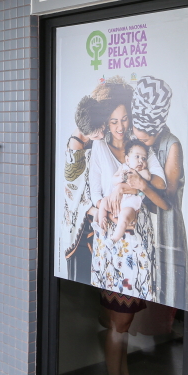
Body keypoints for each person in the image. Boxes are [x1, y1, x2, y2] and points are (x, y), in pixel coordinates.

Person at [87, 78, 168, 375]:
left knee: (125, 322)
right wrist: (106, 205)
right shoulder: (99, 150)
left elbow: (161, 187)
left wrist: (136, 184)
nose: (120, 127)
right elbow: (93, 196)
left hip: (137, 248)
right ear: (105, 123)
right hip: (113, 247)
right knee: (118, 323)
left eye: (125, 119)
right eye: (113, 121)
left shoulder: (140, 148)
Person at [130, 76, 188, 310]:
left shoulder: (171, 145)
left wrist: (142, 184)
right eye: (136, 134)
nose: (139, 140)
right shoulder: (134, 137)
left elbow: (168, 199)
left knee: (167, 296)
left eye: (145, 138)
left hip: (166, 231)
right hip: (139, 229)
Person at [61, 94, 107, 283]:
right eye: (96, 136)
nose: (101, 136)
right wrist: (92, 209)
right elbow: (72, 193)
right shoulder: (75, 149)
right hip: (81, 224)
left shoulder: (96, 133)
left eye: (102, 130)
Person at [96, 139, 151, 243]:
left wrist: (138, 172)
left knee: (124, 218)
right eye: (137, 157)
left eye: (144, 158)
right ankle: (101, 223)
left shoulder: (143, 171)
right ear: (127, 159)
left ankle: (114, 239)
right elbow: (113, 180)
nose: (141, 161)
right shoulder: (123, 168)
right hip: (117, 201)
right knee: (104, 202)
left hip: (130, 204)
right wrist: (120, 178)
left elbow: (148, 177)